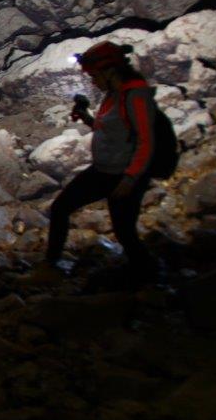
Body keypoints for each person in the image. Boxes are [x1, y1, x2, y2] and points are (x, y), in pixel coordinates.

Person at [43, 41, 157, 282]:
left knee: (125, 231)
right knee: (61, 208)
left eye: (94, 75)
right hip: (104, 171)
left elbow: (146, 140)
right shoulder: (113, 95)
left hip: (122, 175)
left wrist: (131, 177)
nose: (92, 81)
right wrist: (86, 118)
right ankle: (50, 266)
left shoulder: (134, 96)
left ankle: (149, 276)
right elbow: (110, 130)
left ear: (110, 71)